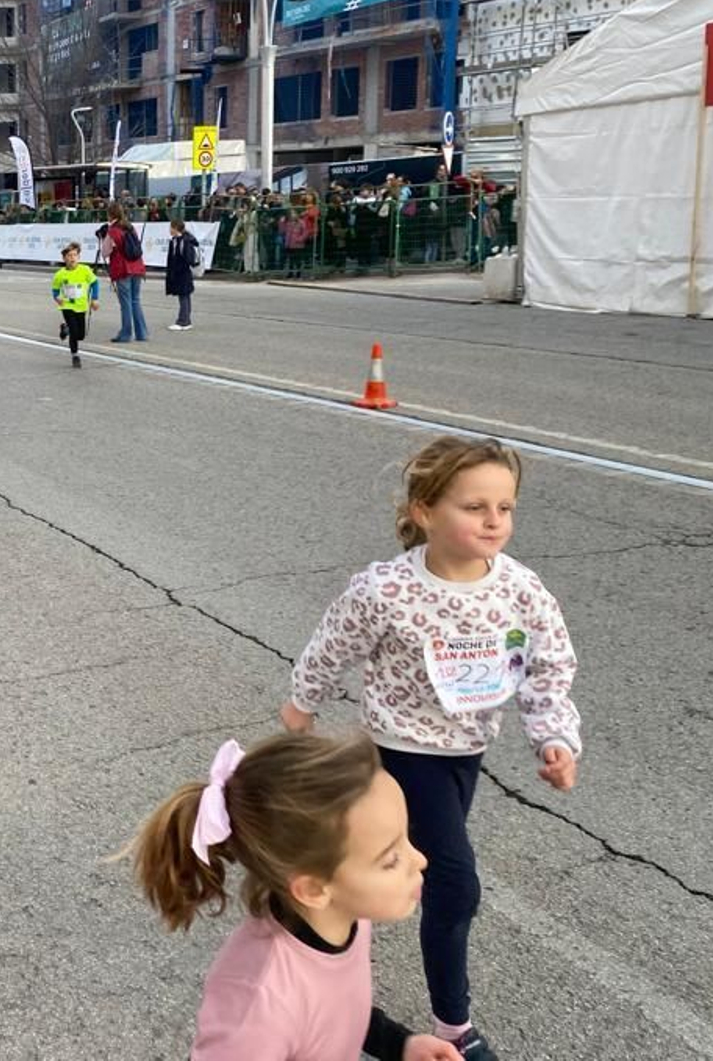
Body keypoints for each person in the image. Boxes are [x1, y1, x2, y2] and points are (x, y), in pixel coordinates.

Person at [282, 437, 583, 1061]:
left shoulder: (521, 591)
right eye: (475, 506)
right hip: (400, 751)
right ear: (424, 511)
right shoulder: (387, 589)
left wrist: (553, 737)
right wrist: (302, 701)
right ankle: (453, 1026)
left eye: (506, 507)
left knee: (385, 864)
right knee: (453, 884)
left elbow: (546, 670)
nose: (495, 520)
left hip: (465, 754)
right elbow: (332, 643)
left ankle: (322, 951)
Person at [124, 732, 459, 1061]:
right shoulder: (257, 1004)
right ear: (313, 889)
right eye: (391, 859)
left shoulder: (347, 915)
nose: (420, 859)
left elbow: (332, 1006)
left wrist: (399, 1045)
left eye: (406, 837)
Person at [103, 202, 148, 343]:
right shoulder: (130, 227)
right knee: (135, 300)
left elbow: (105, 252)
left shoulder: (113, 231)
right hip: (137, 267)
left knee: (125, 303)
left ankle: (126, 333)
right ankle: (142, 332)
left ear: (110, 215)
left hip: (123, 269)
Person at [51, 242, 99, 368]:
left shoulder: (85, 270)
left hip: (81, 306)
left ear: (78, 257)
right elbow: (55, 290)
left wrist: (94, 299)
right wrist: (57, 298)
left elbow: (95, 283)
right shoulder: (60, 274)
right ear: (64, 258)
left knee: (81, 335)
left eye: (75, 255)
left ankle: (65, 328)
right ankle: (75, 356)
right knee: (74, 331)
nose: (72, 258)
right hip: (67, 306)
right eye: (69, 255)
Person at [165, 220, 201, 331]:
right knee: (184, 296)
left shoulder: (185, 241)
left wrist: (181, 267)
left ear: (176, 228)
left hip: (183, 273)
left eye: (171, 228)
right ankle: (186, 319)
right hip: (177, 273)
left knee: (184, 296)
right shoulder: (175, 241)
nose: (169, 230)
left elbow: (188, 258)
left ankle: (183, 321)